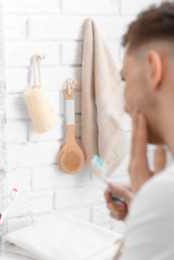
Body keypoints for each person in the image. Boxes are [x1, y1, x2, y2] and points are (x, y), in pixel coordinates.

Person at [104, 2, 174, 259]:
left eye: (125, 78)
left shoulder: (165, 195)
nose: (124, 105)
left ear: (154, 68)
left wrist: (146, 207)